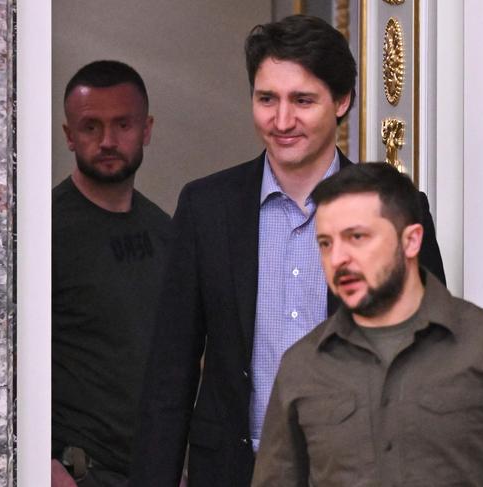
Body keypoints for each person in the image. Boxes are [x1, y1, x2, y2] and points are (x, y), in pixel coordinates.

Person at [129, 15, 445, 487]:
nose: (281, 121)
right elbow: (169, 375)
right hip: (235, 471)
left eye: (302, 100)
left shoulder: (397, 209)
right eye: (266, 99)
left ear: (342, 102)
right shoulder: (206, 208)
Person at [252, 162, 483, 487]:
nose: (338, 258)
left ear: (411, 241)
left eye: (356, 237)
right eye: (326, 243)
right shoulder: (303, 364)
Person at [52, 60, 171, 487]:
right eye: (90, 127)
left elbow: (177, 358)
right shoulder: (40, 232)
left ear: (147, 129)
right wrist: (38, 461)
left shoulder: (165, 231)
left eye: (123, 125)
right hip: (77, 471)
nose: (107, 141)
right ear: (69, 135)